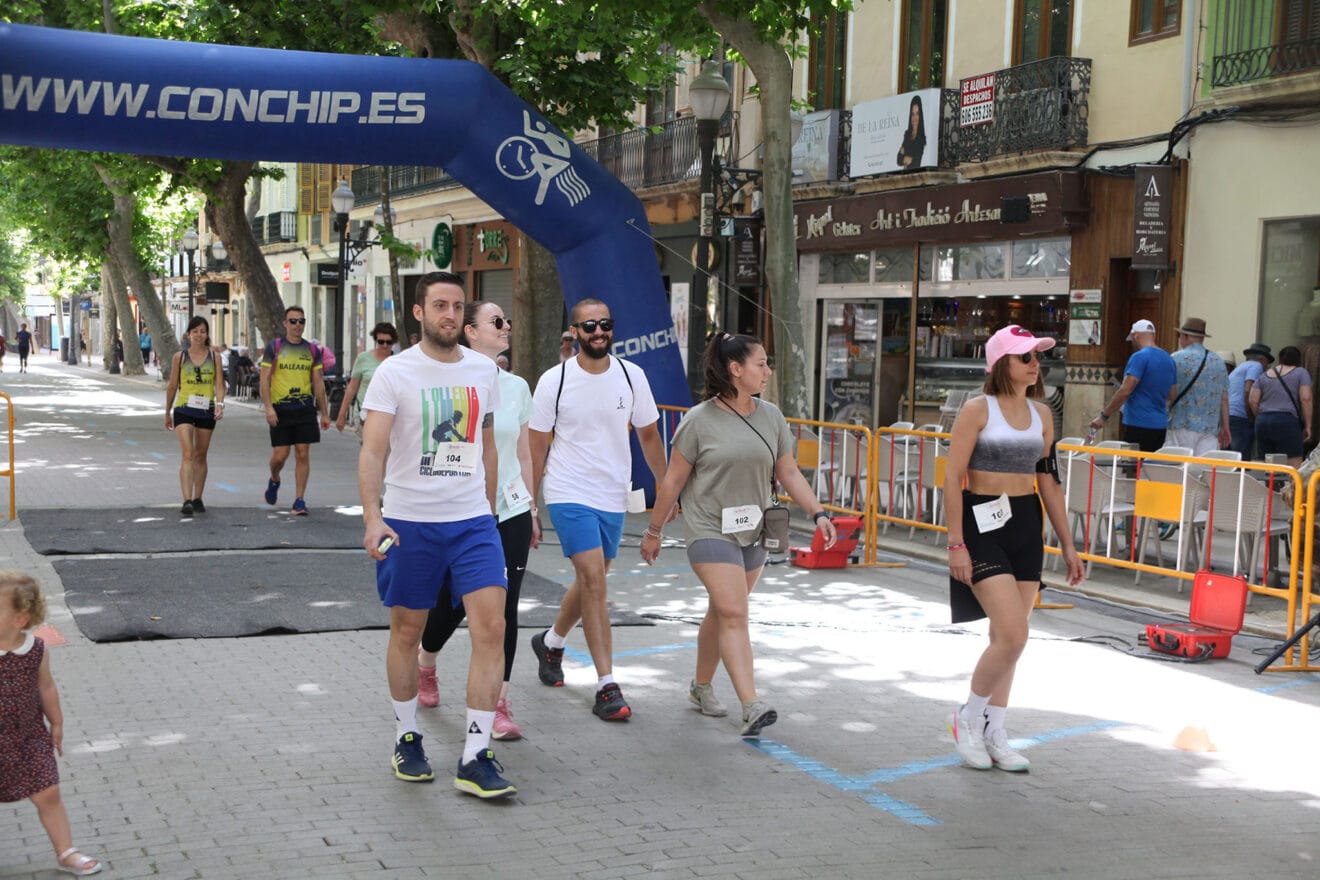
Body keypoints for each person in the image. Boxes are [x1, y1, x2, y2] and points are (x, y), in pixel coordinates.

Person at [359, 271, 516, 799]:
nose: (450, 314)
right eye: (440, 306)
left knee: (490, 629)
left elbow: (487, 443)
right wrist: (372, 517)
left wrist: (490, 510)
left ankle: (475, 753)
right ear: (419, 314)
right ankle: (407, 735)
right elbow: (372, 451)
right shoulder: (394, 374)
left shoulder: (483, 370)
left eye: (457, 306)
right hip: (408, 521)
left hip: (472, 522)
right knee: (407, 631)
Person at [640, 333, 838, 737]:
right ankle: (752, 704)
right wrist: (654, 530)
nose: (768, 371)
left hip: (755, 530)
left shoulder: (772, 417)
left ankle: (700, 687)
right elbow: (674, 481)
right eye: (761, 364)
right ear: (735, 369)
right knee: (734, 611)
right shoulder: (699, 420)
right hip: (709, 527)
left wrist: (818, 513)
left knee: (721, 610)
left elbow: (788, 473)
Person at [944, 326, 1085, 772]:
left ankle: (995, 730)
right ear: (1001, 362)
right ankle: (967, 717)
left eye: (1037, 356)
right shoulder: (976, 410)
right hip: (981, 522)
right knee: (1014, 633)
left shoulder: (1043, 414)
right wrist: (955, 543)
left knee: (1008, 640)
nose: (1035, 363)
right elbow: (952, 478)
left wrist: (1068, 544)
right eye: (1025, 356)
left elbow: (1049, 480)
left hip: (1026, 523)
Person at [527, 298, 669, 721]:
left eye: (604, 324)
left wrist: (667, 488)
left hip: (612, 494)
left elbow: (648, 436)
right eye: (588, 326)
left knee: (594, 579)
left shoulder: (631, 375)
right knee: (593, 580)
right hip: (568, 491)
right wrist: (530, 506)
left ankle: (551, 643)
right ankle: (607, 686)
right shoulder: (554, 380)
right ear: (574, 333)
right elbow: (537, 445)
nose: (598, 332)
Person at [417, 302, 538, 742]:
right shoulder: (449, 382)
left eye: (508, 320)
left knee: (504, 611)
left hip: (509, 510)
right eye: (497, 322)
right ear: (470, 332)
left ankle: (499, 703)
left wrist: (531, 506)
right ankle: (426, 664)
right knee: (451, 601)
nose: (507, 327)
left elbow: (523, 453)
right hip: (460, 510)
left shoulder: (518, 387)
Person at [0, 572, 103, 876]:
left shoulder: (36, 650)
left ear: (20, 619)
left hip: (28, 737)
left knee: (49, 792)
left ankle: (66, 851)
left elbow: (46, 687)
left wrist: (56, 721)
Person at [260, 306, 330, 515]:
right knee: (280, 456)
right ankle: (274, 479)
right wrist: (269, 408)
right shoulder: (275, 347)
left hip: (304, 409)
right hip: (280, 409)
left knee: (302, 453)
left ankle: (299, 500)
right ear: (285, 324)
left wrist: (325, 413)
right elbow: (264, 379)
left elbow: (318, 383)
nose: (297, 325)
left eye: (301, 321)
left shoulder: (312, 350)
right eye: (293, 321)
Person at [164, 317, 226, 516]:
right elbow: (173, 385)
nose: (199, 335)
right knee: (188, 453)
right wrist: (167, 411)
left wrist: (220, 404)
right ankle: (186, 500)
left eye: (203, 331)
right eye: (195, 331)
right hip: (184, 409)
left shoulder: (214, 357)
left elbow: (219, 384)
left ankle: (198, 497)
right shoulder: (180, 357)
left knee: (200, 455)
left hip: (206, 409)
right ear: (188, 333)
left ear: (207, 334)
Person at [1089, 319, 1177, 452]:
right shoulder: (1169, 359)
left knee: (1132, 467)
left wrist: (1104, 416)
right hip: (1160, 426)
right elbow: (1172, 394)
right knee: (1150, 467)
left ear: (1136, 336)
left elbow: (1126, 390)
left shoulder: (1139, 357)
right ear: (1153, 335)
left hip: (1137, 423)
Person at [1165, 318, 1230, 456]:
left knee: (1179, 469)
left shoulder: (1175, 358)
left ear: (1186, 336)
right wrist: (1226, 427)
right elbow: (1224, 398)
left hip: (1181, 422)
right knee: (1202, 471)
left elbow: (1167, 390)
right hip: (1209, 427)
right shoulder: (1218, 361)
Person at [1249, 344, 1313, 469]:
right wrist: (1308, 426)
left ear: (1279, 359)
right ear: (1298, 360)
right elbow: (1306, 398)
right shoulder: (1301, 372)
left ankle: (1267, 487)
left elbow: (1252, 400)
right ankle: (1290, 488)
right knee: (1293, 462)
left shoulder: (1264, 375)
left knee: (1266, 461)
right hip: (1286, 421)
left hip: (1263, 421)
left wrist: (1261, 416)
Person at [335, 322, 397, 438]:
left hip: (389, 415)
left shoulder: (398, 361)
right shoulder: (363, 358)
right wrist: (342, 414)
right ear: (375, 340)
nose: (384, 345)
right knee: (370, 453)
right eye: (380, 341)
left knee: (387, 454)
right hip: (365, 414)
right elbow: (352, 387)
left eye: (388, 342)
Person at [1228, 343, 1273, 457]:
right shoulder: (1256, 366)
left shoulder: (1241, 367)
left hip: (1229, 414)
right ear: (1262, 359)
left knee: (1229, 456)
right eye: (1267, 363)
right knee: (1241, 457)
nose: (1267, 367)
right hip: (1240, 416)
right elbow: (1248, 390)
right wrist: (1251, 415)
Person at [895, 94, 927, 169]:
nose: (914, 117)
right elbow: (899, 159)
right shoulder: (907, 134)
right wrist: (907, 159)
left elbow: (915, 162)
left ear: (920, 116)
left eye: (917, 114)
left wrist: (905, 156)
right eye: (912, 114)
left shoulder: (921, 138)